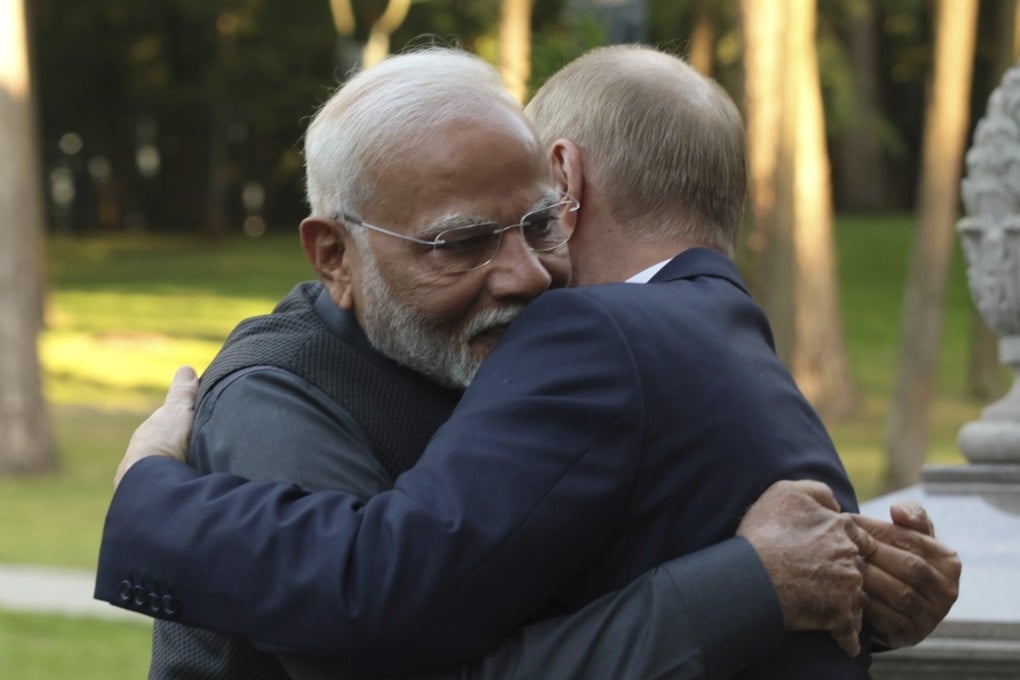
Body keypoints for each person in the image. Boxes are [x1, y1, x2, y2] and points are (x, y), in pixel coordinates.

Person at [96, 46, 960, 678]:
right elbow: (379, 619)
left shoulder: (526, 351)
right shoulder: (282, 392)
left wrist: (858, 582)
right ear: (332, 255)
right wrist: (148, 492)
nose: (527, 274)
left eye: (541, 226)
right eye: (461, 243)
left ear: (564, 190)